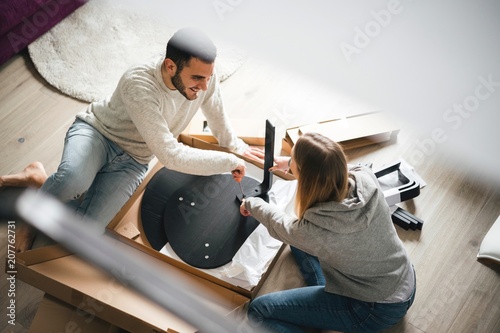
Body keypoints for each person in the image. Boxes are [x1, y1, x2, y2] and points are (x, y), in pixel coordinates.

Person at [1, 27, 263, 252]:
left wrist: (237, 147)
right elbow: (170, 155)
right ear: (170, 65)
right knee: (72, 180)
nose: (205, 86)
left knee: (81, 235)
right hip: (99, 134)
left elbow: (216, 112)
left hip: (135, 160)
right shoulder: (139, 82)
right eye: (197, 78)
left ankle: (40, 181)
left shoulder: (206, 78)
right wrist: (228, 162)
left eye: (208, 77)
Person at [240, 132, 416, 333]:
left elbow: (280, 226)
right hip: (403, 278)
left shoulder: (315, 230)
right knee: (298, 243)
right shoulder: (363, 177)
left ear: (306, 176)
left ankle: (328, 312)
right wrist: (289, 163)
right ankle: (325, 308)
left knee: (259, 310)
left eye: (294, 161)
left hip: (375, 309)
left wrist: (252, 204)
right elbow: (327, 169)